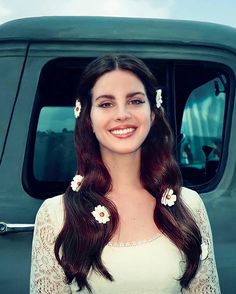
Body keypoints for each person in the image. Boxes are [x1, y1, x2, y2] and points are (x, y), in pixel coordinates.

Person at [30, 55, 221, 293]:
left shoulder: (189, 205)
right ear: (88, 118)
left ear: (152, 113)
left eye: (135, 101)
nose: (122, 114)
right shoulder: (55, 215)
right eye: (106, 104)